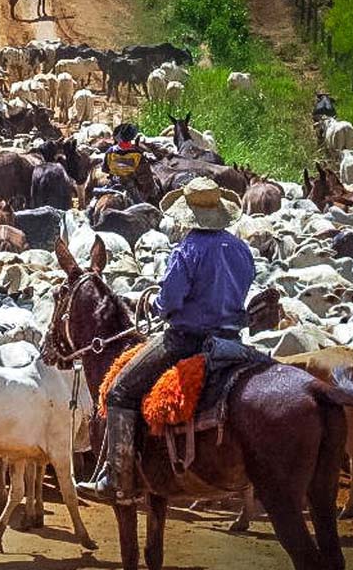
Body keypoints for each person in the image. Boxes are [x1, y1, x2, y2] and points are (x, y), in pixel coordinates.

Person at [76, 177, 256, 505]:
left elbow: (170, 301)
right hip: (232, 340)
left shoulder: (187, 249)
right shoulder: (240, 248)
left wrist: (156, 305)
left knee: (119, 391)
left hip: (187, 341)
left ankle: (118, 479)